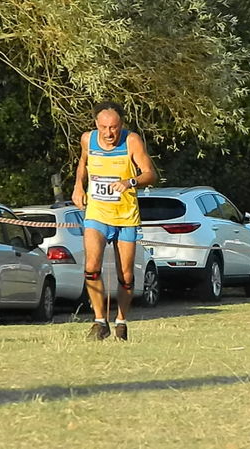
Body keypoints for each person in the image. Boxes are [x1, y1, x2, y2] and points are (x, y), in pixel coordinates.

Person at [72, 101, 157, 340]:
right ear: (96, 125)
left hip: (126, 217)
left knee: (126, 276)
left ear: (121, 125)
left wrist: (130, 182)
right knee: (91, 268)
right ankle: (100, 321)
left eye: (114, 127)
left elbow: (150, 174)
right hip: (97, 213)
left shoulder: (131, 141)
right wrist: (78, 186)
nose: (109, 133)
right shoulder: (88, 139)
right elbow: (83, 162)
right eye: (105, 127)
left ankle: (121, 321)